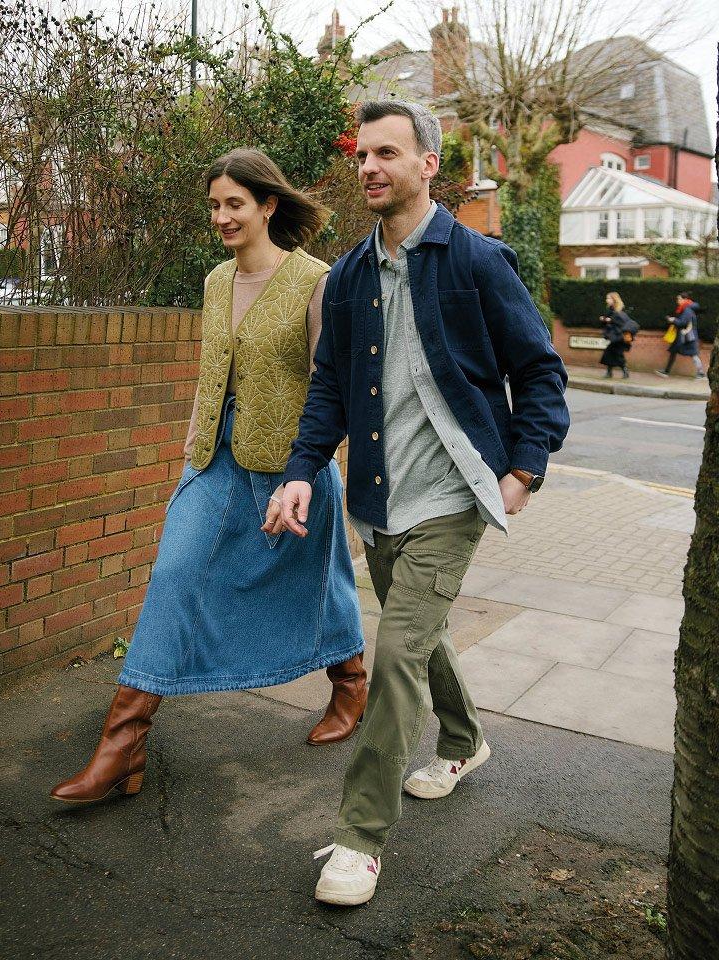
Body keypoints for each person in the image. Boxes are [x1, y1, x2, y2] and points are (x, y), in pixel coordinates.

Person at [276, 100, 570, 905]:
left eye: (387, 153)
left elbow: (541, 375)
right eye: (362, 155)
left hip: (453, 496)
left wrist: (522, 470)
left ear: (428, 164)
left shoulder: (478, 261)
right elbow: (330, 383)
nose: (369, 167)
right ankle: (466, 740)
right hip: (379, 496)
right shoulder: (348, 276)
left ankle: (358, 840)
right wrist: (304, 467)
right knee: (423, 632)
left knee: (398, 652)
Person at [50, 148, 367, 805]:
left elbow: (331, 385)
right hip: (214, 462)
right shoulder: (216, 280)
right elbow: (211, 373)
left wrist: (310, 469)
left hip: (290, 468)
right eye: (215, 206)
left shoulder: (316, 281)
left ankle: (351, 682)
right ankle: (124, 741)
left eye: (234, 204)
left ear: (268, 205)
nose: (221, 217)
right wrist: (192, 447)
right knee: (173, 575)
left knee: (314, 577)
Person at [656, 293, 706, 379]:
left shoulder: (687, 310)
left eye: (679, 299)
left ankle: (701, 373)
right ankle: (666, 371)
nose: (677, 301)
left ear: (685, 299)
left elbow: (683, 323)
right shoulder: (685, 309)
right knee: (674, 352)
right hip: (683, 336)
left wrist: (673, 320)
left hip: (687, 337)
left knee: (693, 354)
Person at [599, 291, 633, 379]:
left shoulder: (620, 310)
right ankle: (611, 372)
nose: (607, 300)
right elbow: (608, 321)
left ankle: (623, 371)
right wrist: (604, 319)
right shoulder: (610, 309)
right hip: (614, 336)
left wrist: (610, 320)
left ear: (614, 299)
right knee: (611, 353)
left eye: (608, 298)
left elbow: (622, 322)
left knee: (616, 354)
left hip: (620, 336)